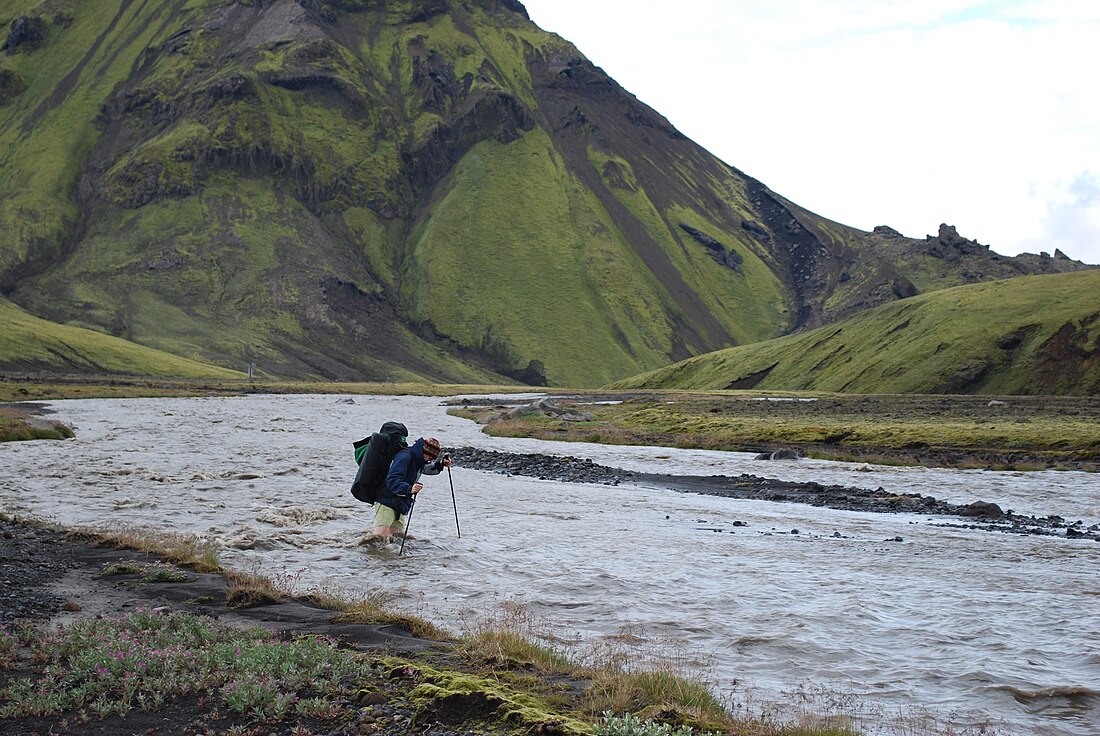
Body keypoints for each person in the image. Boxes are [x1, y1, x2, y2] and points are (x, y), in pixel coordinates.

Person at [372, 436, 451, 540]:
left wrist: (440, 464)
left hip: (401, 503)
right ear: (425, 452)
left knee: (395, 540)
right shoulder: (404, 457)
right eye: (431, 458)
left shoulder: (418, 460)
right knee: (379, 539)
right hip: (387, 500)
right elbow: (391, 480)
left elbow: (426, 469)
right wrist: (409, 488)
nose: (430, 461)